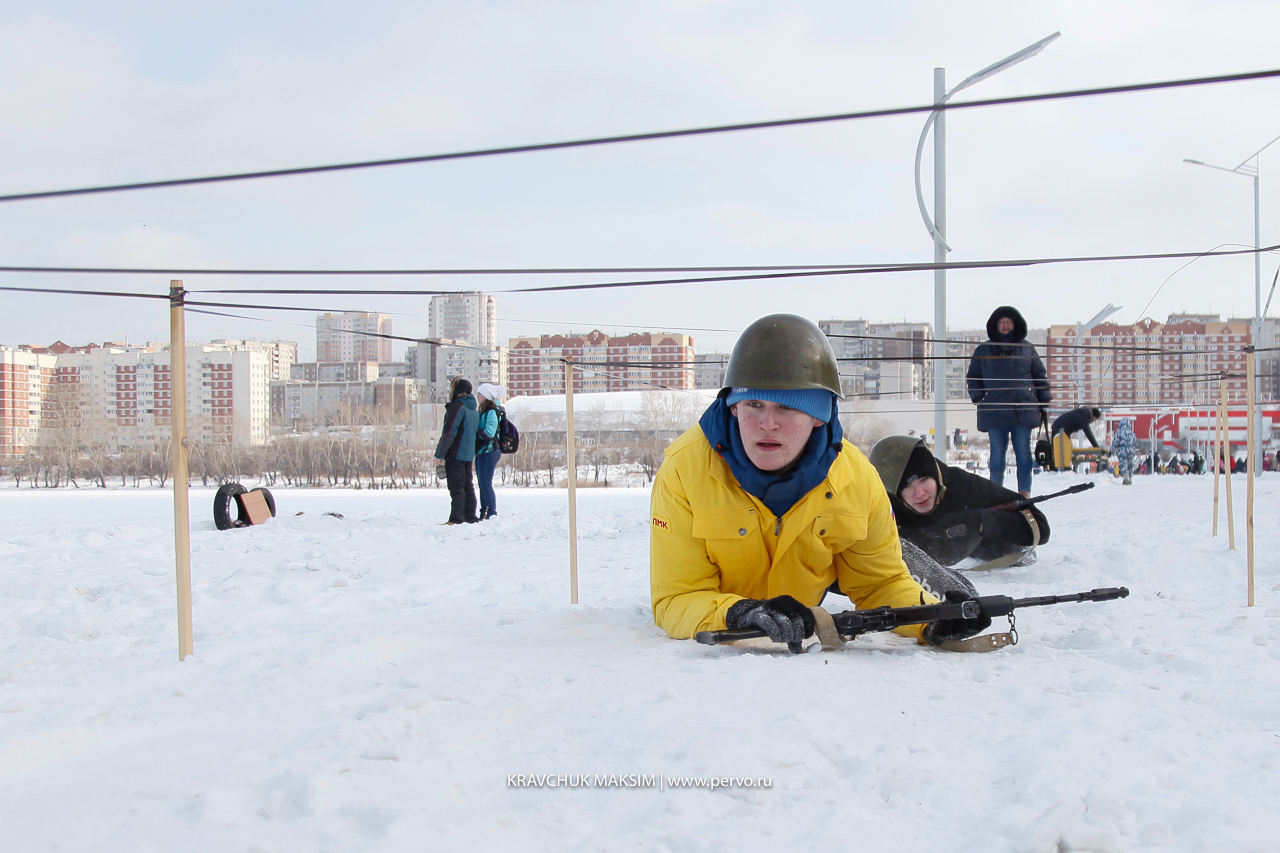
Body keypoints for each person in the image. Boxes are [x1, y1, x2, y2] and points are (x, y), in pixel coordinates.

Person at [649, 314, 991, 651]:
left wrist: (930, 618)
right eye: (753, 404)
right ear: (734, 408)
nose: (767, 423)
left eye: (786, 408)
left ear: (818, 414)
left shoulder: (857, 480)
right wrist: (738, 614)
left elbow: (879, 584)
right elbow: (677, 597)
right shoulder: (685, 470)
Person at [870, 435, 1050, 570]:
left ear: (936, 475)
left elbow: (1039, 528)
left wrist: (980, 521)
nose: (919, 493)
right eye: (908, 486)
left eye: (924, 479)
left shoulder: (961, 484)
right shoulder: (885, 505)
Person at [966, 306, 1050, 498]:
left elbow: (1040, 376)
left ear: (1016, 324)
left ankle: (1025, 493)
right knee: (997, 453)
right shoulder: (983, 350)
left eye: (1009, 322)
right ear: (995, 325)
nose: (1005, 325)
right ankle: (996, 493)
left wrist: (1043, 401)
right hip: (994, 411)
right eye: (1002, 322)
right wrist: (980, 398)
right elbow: (973, 377)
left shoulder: (1027, 348)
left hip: (1023, 409)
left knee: (1023, 452)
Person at [434, 378, 480, 525]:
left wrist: (439, 454)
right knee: (468, 486)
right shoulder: (473, 410)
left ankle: (456, 518)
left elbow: (449, 433)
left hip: (456, 454)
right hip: (468, 455)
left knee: (456, 487)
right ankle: (470, 516)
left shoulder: (457, 408)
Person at [474, 383, 505, 520]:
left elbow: (489, 433)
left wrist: (477, 430)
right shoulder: (484, 411)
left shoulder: (491, 412)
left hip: (489, 451)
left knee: (486, 483)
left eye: (480, 394)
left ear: (486, 396)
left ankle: (491, 512)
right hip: (482, 451)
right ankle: (484, 511)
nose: (478, 397)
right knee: (482, 484)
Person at [1111, 417, 1138, 485]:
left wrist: (1111, 451)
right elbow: (1136, 442)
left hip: (1122, 450)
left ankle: (1126, 478)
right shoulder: (1132, 433)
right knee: (1130, 464)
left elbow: (1115, 443)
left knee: (1124, 464)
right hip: (1131, 450)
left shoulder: (1119, 433)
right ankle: (1130, 478)